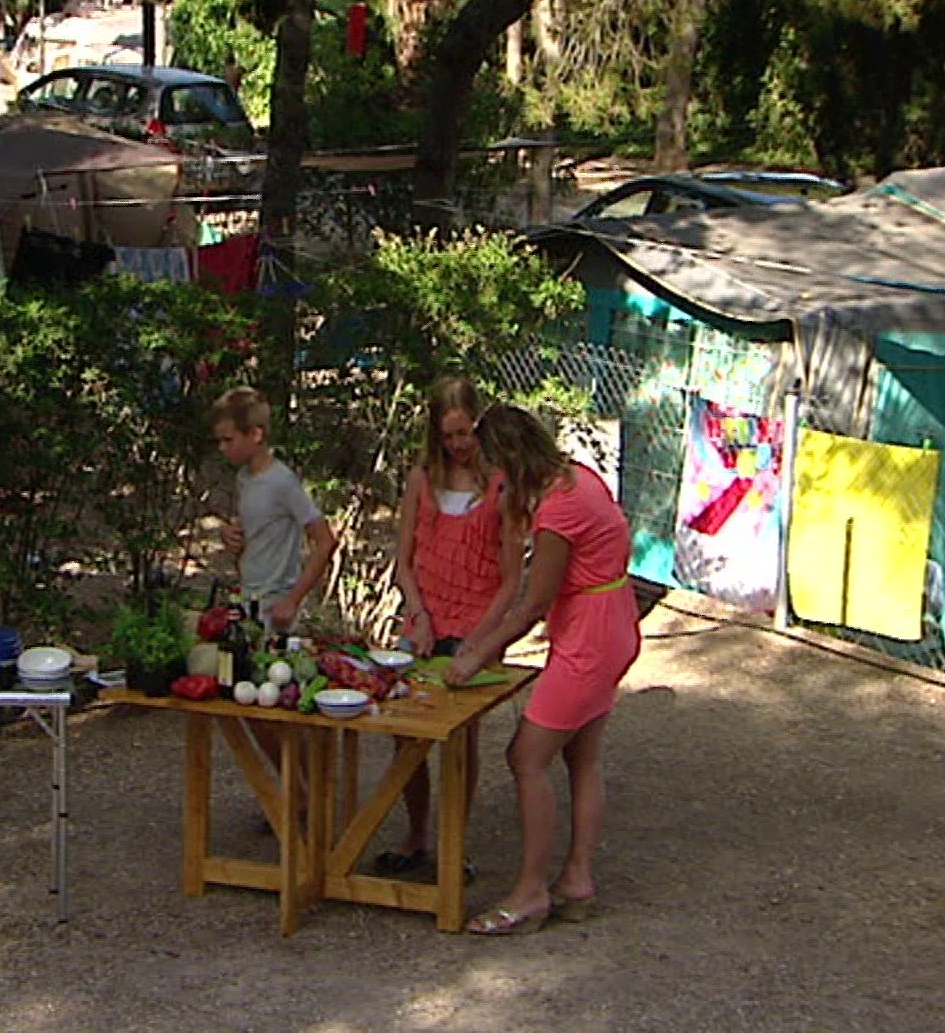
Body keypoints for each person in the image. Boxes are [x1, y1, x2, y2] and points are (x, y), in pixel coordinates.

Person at [442, 404, 642, 936]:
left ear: (509, 459)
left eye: (492, 466)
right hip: (610, 622)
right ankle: (576, 880)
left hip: (590, 637)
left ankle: (531, 892)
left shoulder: (558, 512)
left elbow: (533, 603)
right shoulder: (577, 477)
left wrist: (476, 656)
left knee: (526, 756)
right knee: (582, 756)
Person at [374, 377, 525, 877]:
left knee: (460, 737)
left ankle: (453, 844)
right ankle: (416, 834)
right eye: (448, 435)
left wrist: (481, 640)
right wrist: (417, 614)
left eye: (465, 433)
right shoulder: (421, 480)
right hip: (424, 617)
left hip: (477, 621)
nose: (458, 444)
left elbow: (511, 580)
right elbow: (404, 562)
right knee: (405, 730)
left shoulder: (502, 485)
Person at [212, 385, 338, 779]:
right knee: (250, 706)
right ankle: (293, 791)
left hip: (277, 608)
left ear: (256, 435)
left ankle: (311, 792)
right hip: (250, 605)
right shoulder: (244, 479)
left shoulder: (282, 481)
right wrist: (232, 537)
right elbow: (256, 533)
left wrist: (293, 599)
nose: (223, 448)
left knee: (279, 709)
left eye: (228, 439)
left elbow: (324, 540)